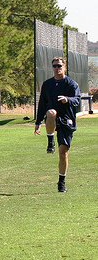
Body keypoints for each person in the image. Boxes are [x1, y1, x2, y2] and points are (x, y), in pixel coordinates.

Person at [34, 56, 80, 193]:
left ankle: (61, 182)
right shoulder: (47, 84)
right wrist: (38, 122)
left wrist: (67, 99)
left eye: (59, 66)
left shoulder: (71, 84)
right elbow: (42, 104)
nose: (57, 68)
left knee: (63, 152)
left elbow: (77, 100)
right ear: (52, 68)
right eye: (54, 66)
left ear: (64, 67)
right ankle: (50, 142)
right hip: (52, 118)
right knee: (51, 113)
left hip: (67, 120)